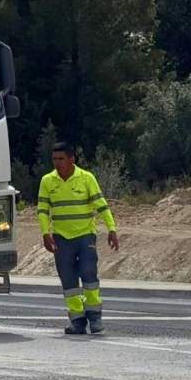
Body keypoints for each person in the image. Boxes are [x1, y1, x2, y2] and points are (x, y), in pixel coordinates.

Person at [36, 143, 120, 335]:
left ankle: (95, 318)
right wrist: (45, 233)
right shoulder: (47, 181)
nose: (57, 163)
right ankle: (77, 321)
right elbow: (42, 210)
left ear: (71, 159)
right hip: (61, 239)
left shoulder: (86, 178)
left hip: (85, 236)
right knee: (68, 280)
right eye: (54, 159)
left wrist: (111, 229)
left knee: (89, 274)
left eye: (61, 159)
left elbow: (101, 205)